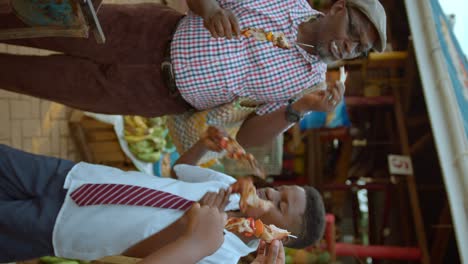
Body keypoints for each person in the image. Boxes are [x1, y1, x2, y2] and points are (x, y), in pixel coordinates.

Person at [0, 0, 387, 148]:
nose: (349, 47)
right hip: (145, 32)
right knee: (36, 21)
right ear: (338, 8)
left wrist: (297, 110)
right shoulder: (284, 0)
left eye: (360, 49)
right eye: (353, 32)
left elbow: (249, 137)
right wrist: (211, 10)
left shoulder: (308, 84)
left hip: (154, 96)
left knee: (33, 79)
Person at [0, 143, 324, 263]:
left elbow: (134, 256)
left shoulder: (219, 254)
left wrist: (188, 227)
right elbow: (179, 172)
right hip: (77, 178)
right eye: (281, 190)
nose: (271, 194)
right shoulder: (229, 189)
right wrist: (203, 146)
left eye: (281, 206)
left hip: (68, 228)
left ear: (274, 237)